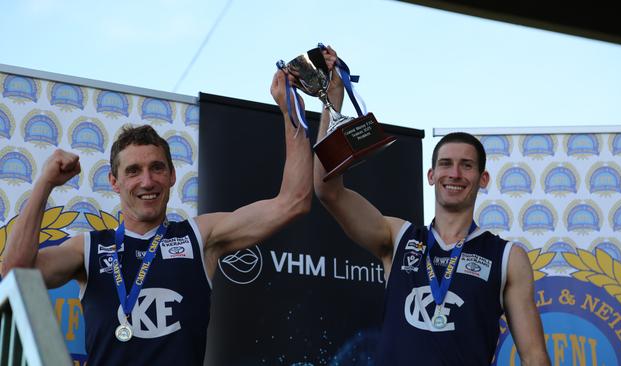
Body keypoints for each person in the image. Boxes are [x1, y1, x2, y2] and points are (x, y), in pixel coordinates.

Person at [0, 70, 312, 365]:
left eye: (157, 168)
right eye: (133, 171)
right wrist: (44, 184)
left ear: (173, 175)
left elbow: (293, 202)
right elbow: (14, 274)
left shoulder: (200, 236)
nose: (147, 182)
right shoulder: (89, 248)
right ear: (114, 181)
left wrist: (290, 110)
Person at [312, 47, 550, 365]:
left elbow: (534, 356)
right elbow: (327, 189)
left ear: (483, 178)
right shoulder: (398, 238)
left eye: (466, 166)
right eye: (446, 164)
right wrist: (334, 98)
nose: (454, 173)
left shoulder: (507, 257)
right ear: (431, 175)